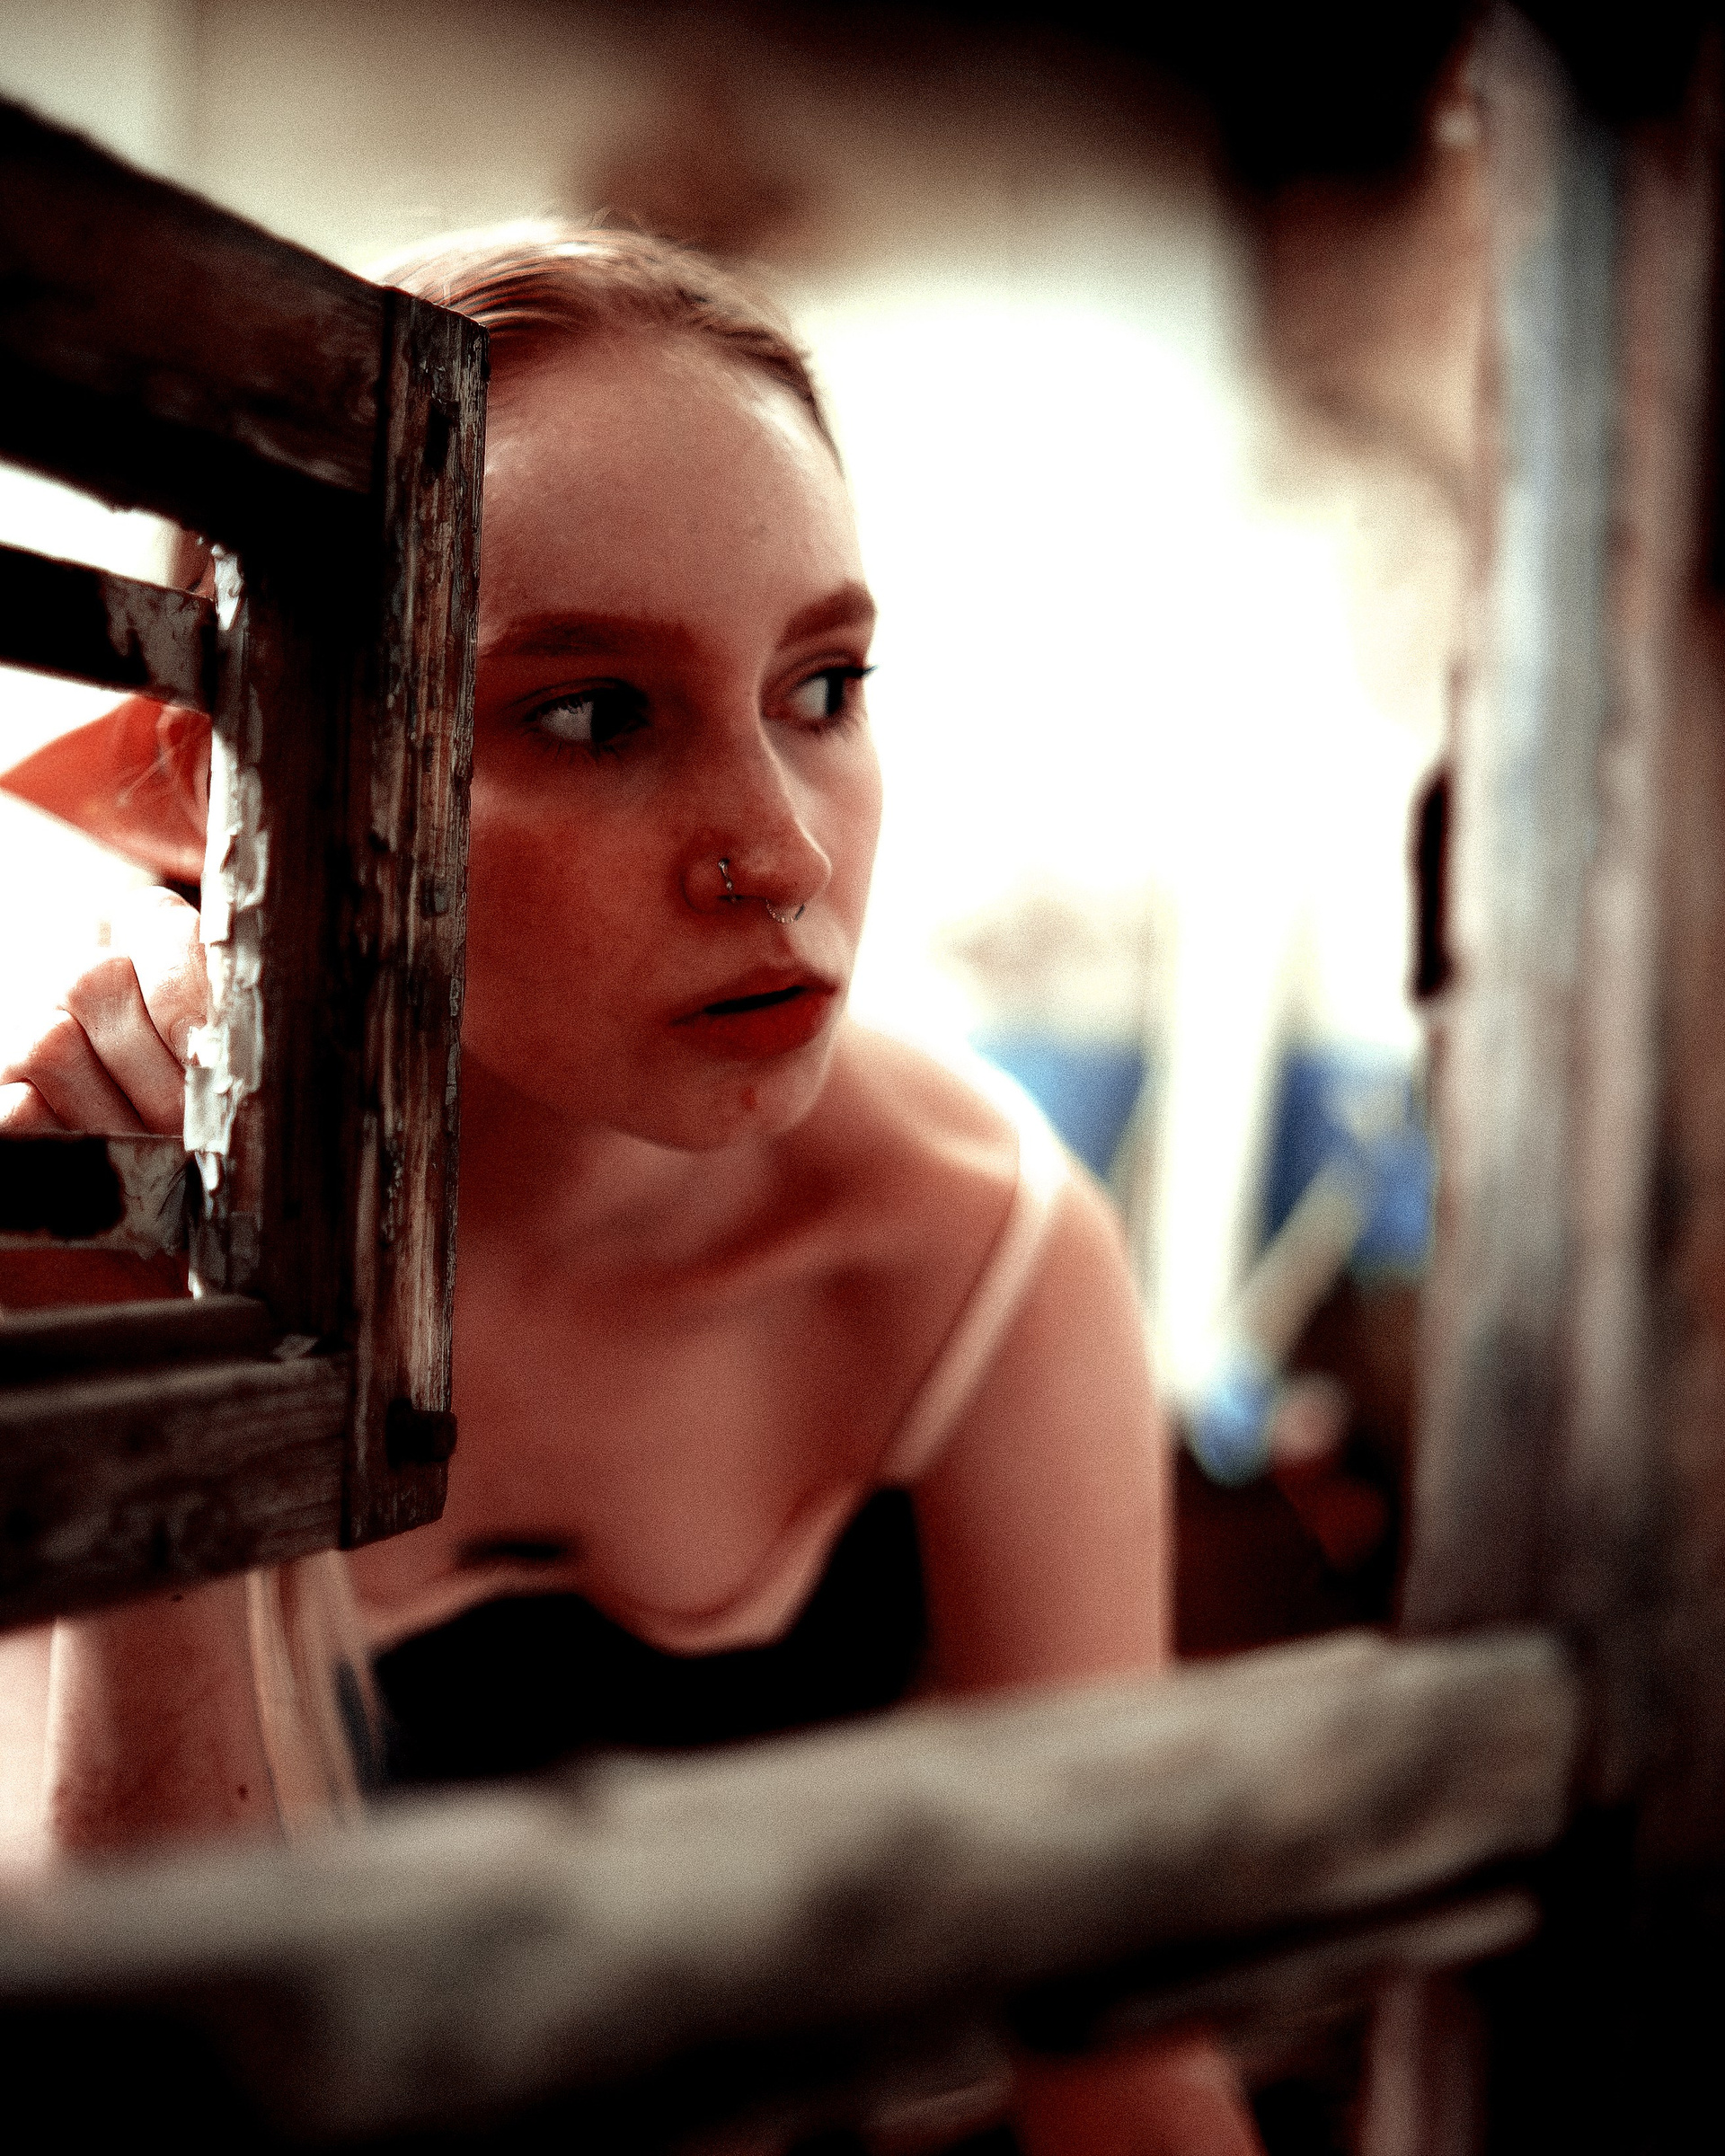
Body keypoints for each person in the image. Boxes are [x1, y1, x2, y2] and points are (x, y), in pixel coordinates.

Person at [0, 223, 1260, 2154]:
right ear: (228, 776)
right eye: (593, 712)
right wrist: (152, 1346)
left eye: (824, 684)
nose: (780, 851)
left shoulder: (972, 1247)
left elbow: (1123, 2061)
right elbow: (149, 2086)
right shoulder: (82, 1211)